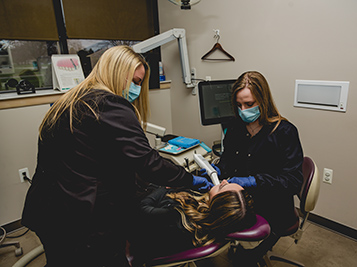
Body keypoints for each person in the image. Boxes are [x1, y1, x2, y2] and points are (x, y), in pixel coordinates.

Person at [21, 45, 212, 267]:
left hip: (46, 210)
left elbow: (92, 157)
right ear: (117, 72)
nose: (137, 88)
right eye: (135, 81)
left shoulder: (68, 102)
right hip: (84, 219)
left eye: (140, 83)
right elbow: (148, 162)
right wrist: (189, 179)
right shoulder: (109, 104)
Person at [215, 71, 304, 248]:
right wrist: (217, 169)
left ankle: (250, 255)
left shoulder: (284, 132)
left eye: (249, 104)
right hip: (242, 199)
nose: (243, 111)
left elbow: (293, 181)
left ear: (263, 101)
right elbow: (228, 160)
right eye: (239, 105)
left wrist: (254, 181)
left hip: (274, 206)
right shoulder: (235, 127)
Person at [128, 180, 255, 266]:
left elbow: (142, 208)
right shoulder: (216, 221)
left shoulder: (178, 218)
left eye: (222, 186)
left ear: (217, 204)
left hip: (136, 241)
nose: (224, 181)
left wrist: (168, 187)